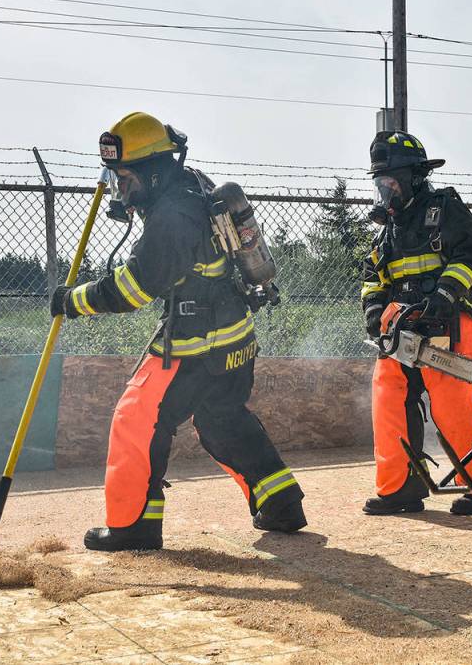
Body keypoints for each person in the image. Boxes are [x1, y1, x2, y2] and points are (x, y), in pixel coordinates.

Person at [51, 111, 307, 551]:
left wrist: (73, 300)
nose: (119, 191)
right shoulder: (194, 185)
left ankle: (134, 526)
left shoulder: (171, 216)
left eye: (125, 180)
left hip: (194, 346)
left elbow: (134, 288)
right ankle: (282, 503)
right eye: (114, 180)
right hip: (234, 339)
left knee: (137, 420)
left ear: (151, 174)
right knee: (221, 421)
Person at [360, 130, 472, 516]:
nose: (385, 188)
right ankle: (399, 487)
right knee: (388, 397)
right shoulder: (387, 228)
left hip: (446, 322)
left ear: (413, 176)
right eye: (380, 182)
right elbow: (373, 277)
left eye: (391, 180)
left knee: (450, 405)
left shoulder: (444, 208)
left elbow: (470, 256)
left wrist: (443, 296)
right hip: (399, 327)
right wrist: (375, 312)